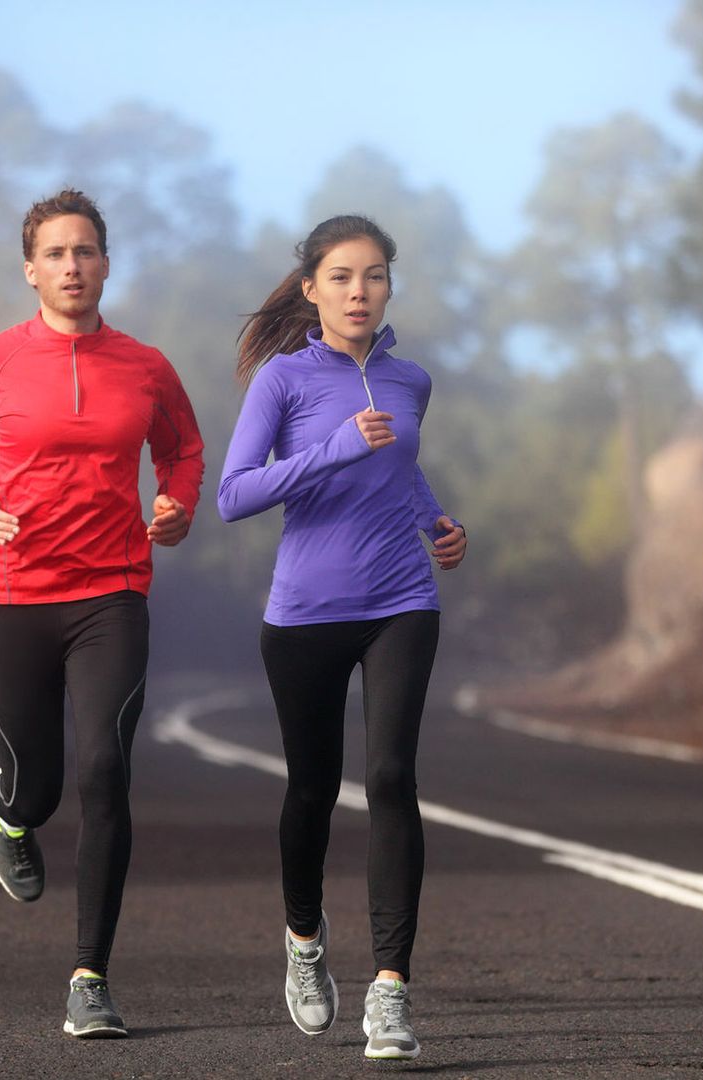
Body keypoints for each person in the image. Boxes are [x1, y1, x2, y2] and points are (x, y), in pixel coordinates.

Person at [0, 188, 204, 1039]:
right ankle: (9, 811)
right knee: (39, 785)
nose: (72, 267)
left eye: (86, 252)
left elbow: (182, 448)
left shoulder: (145, 365)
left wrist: (175, 503)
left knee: (104, 770)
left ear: (106, 263)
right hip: (10, 594)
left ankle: (90, 978)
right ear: (30, 269)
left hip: (111, 591)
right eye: (56, 254)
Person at [216, 214, 467, 1061]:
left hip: (403, 598)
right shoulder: (282, 384)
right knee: (313, 792)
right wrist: (325, 450)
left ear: (389, 285)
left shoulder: (412, 380)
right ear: (312, 288)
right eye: (344, 277)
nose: (360, 291)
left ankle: (391, 992)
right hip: (305, 614)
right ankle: (304, 940)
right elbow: (235, 495)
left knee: (392, 778)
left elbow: (401, 466)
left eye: (376, 276)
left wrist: (437, 521)